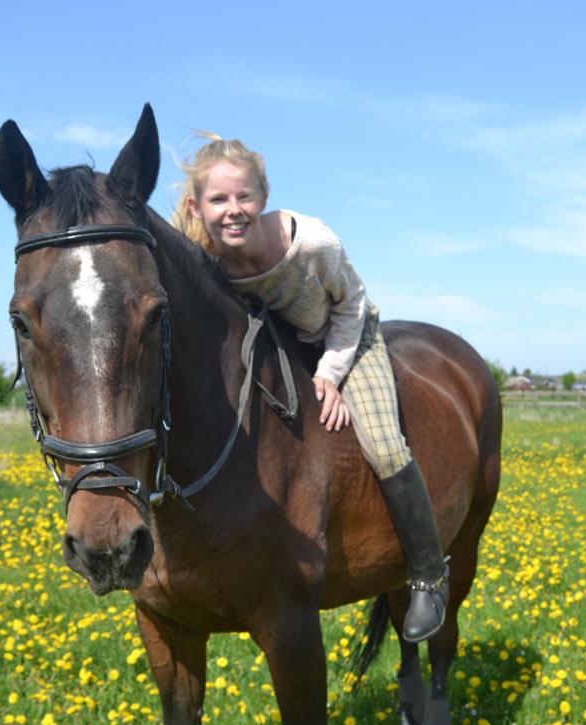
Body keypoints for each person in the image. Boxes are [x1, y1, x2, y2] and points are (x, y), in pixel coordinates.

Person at [172, 135, 448, 642]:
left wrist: (329, 374)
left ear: (264, 196)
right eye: (218, 200)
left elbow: (351, 306)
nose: (233, 211)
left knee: (385, 447)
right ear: (196, 207)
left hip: (347, 337)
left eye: (244, 197)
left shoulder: (312, 242)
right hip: (284, 337)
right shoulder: (200, 255)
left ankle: (430, 574)